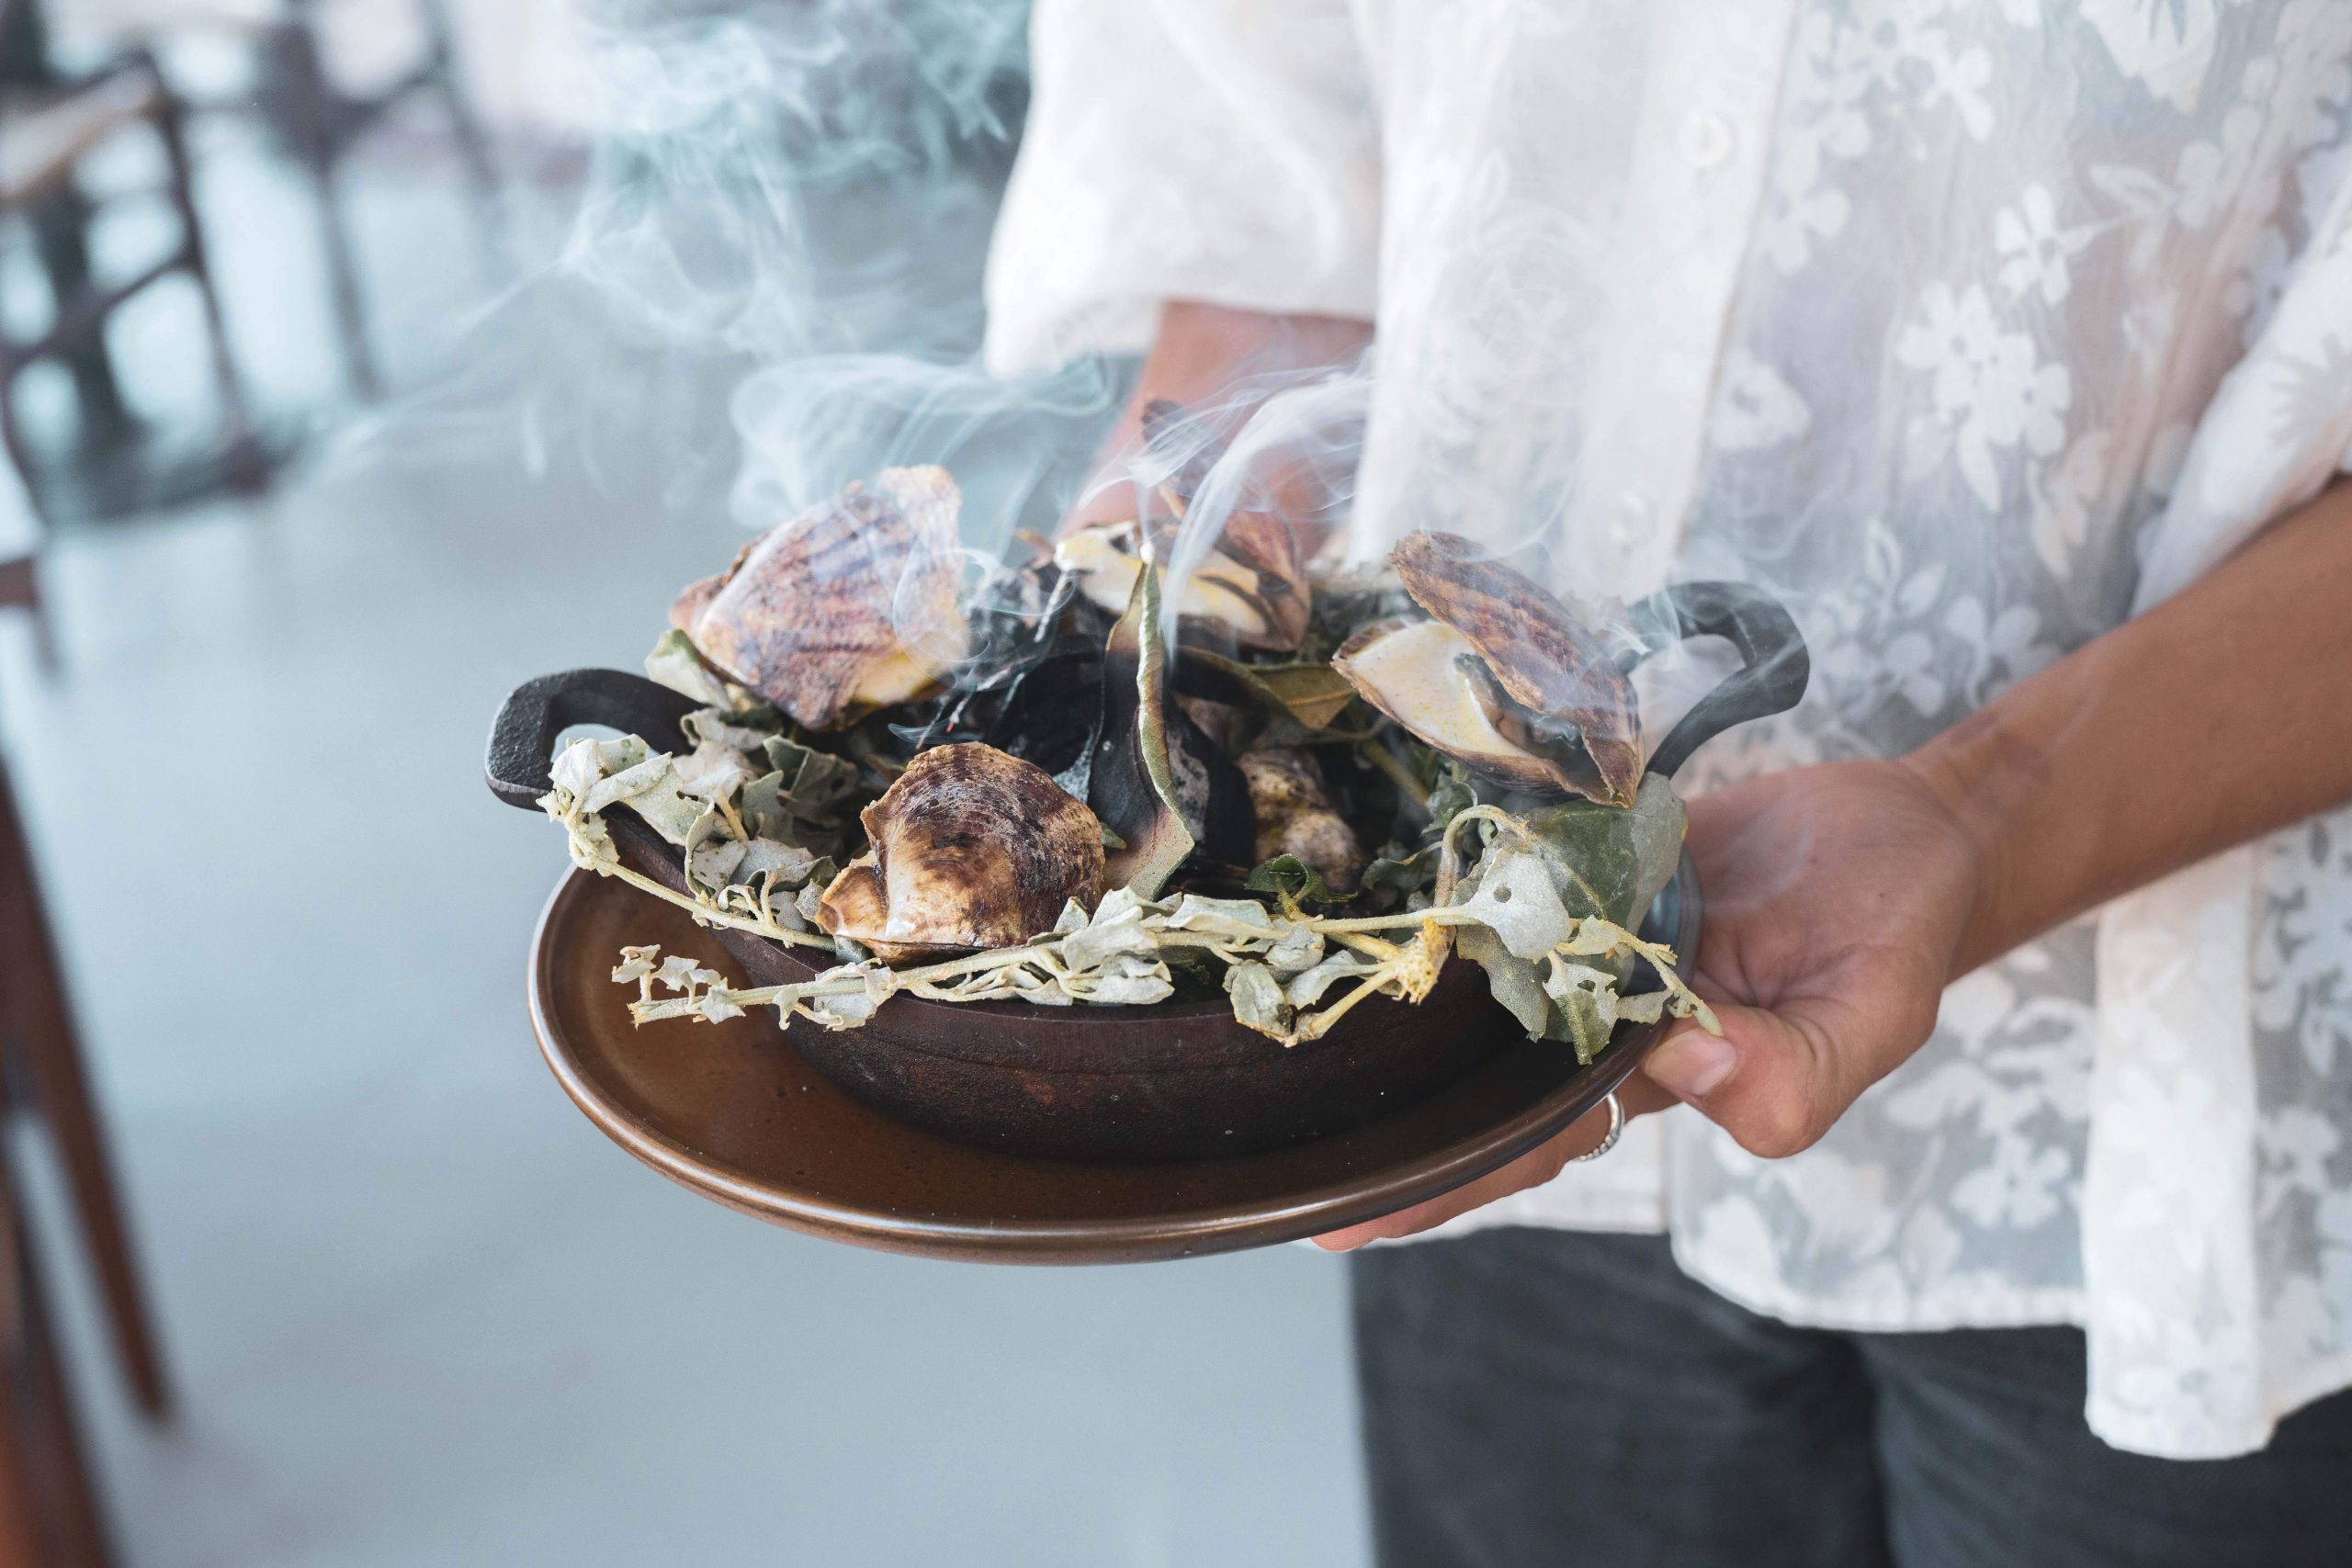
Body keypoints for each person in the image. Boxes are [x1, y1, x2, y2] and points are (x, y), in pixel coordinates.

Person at [983, 3, 2352, 1565]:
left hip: (2168, 1127)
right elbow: (1271, 221)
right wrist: (1147, 688)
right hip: (1466, 1031)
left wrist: (1990, 810)